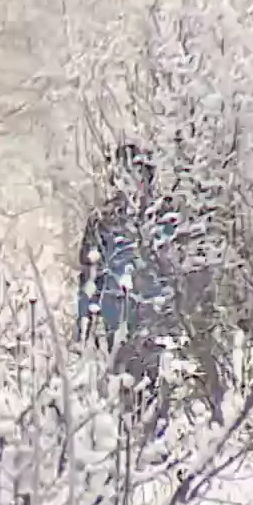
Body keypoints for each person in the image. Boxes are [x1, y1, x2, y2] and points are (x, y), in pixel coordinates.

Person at [77, 142, 176, 380]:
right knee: (123, 384)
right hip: (117, 317)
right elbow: (89, 274)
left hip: (157, 317)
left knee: (156, 384)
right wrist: (83, 325)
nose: (131, 181)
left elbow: (179, 267)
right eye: (124, 174)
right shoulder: (103, 218)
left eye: (137, 172)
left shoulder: (163, 215)